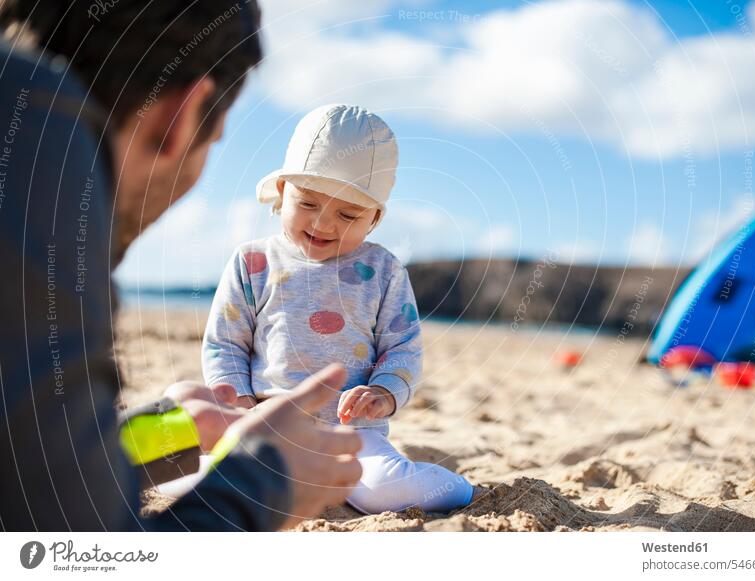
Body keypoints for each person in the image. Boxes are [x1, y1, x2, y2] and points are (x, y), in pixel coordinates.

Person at [0, 1, 361, 531]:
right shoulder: (44, 156)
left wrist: (158, 438)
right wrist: (263, 479)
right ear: (182, 114)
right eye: (213, 142)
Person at [203, 104, 478, 513]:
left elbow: (403, 347)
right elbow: (224, 344)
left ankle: (459, 487)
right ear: (282, 192)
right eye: (308, 204)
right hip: (268, 422)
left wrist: (384, 392)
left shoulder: (384, 272)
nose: (324, 224)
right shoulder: (252, 262)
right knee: (204, 479)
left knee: (381, 492)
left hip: (352, 434)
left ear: (375, 219)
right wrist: (238, 403)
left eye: (348, 214)